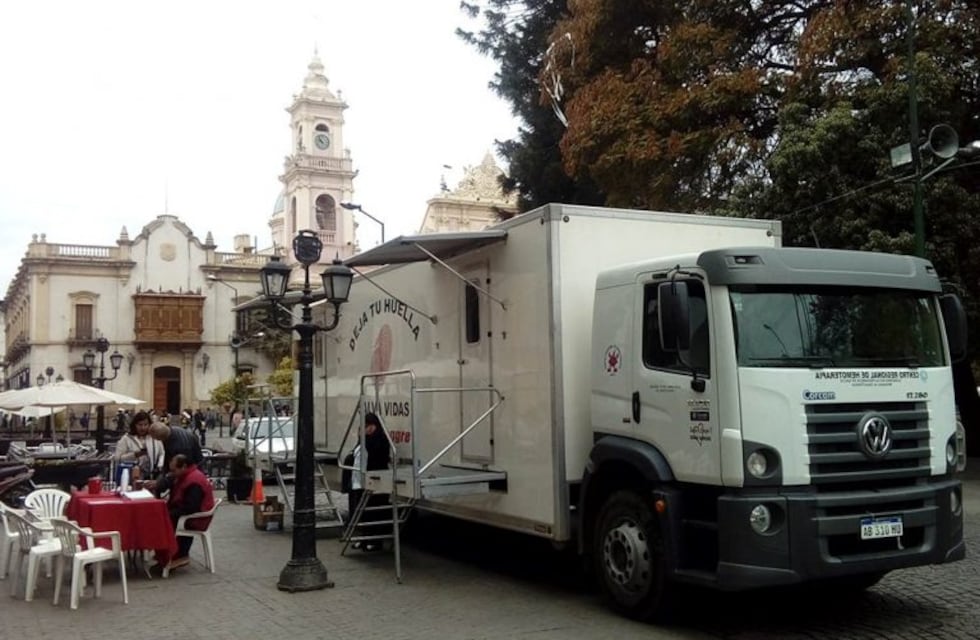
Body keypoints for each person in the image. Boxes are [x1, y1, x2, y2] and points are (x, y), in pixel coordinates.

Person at [152, 453, 215, 573]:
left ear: (184, 467)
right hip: (188, 512)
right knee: (160, 517)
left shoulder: (194, 481)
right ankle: (166, 554)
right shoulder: (186, 476)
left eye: (174, 470)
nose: (172, 474)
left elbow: (191, 507)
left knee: (163, 521)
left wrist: (168, 512)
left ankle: (175, 554)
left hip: (195, 518)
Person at [347, 412, 392, 551]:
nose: (363, 429)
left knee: (375, 511)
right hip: (363, 479)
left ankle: (375, 540)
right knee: (363, 511)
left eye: (365, 426)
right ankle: (364, 537)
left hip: (376, 479)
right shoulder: (364, 440)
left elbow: (375, 455)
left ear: (372, 426)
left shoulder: (380, 439)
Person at [145, 422, 204, 495]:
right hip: (192, 471)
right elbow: (168, 464)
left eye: (157, 439)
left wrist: (160, 483)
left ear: (161, 438)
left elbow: (178, 471)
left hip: (191, 479)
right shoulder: (173, 431)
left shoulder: (179, 447)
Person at [112, 410, 164, 482]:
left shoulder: (154, 437)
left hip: (151, 477)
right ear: (135, 425)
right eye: (140, 425)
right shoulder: (126, 439)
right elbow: (118, 458)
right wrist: (134, 455)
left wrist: (159, 465)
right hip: (132, 477)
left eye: (145, 425)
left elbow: (162, 453)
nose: (143, 428)